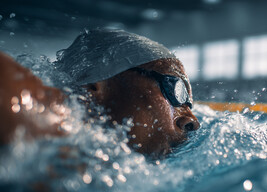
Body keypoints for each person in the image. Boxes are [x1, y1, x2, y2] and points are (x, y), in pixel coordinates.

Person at [0, 29, 200, 157]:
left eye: (189, 103)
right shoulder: (50, 133)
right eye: (176, 90)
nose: (193, 121)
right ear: (92, 89)